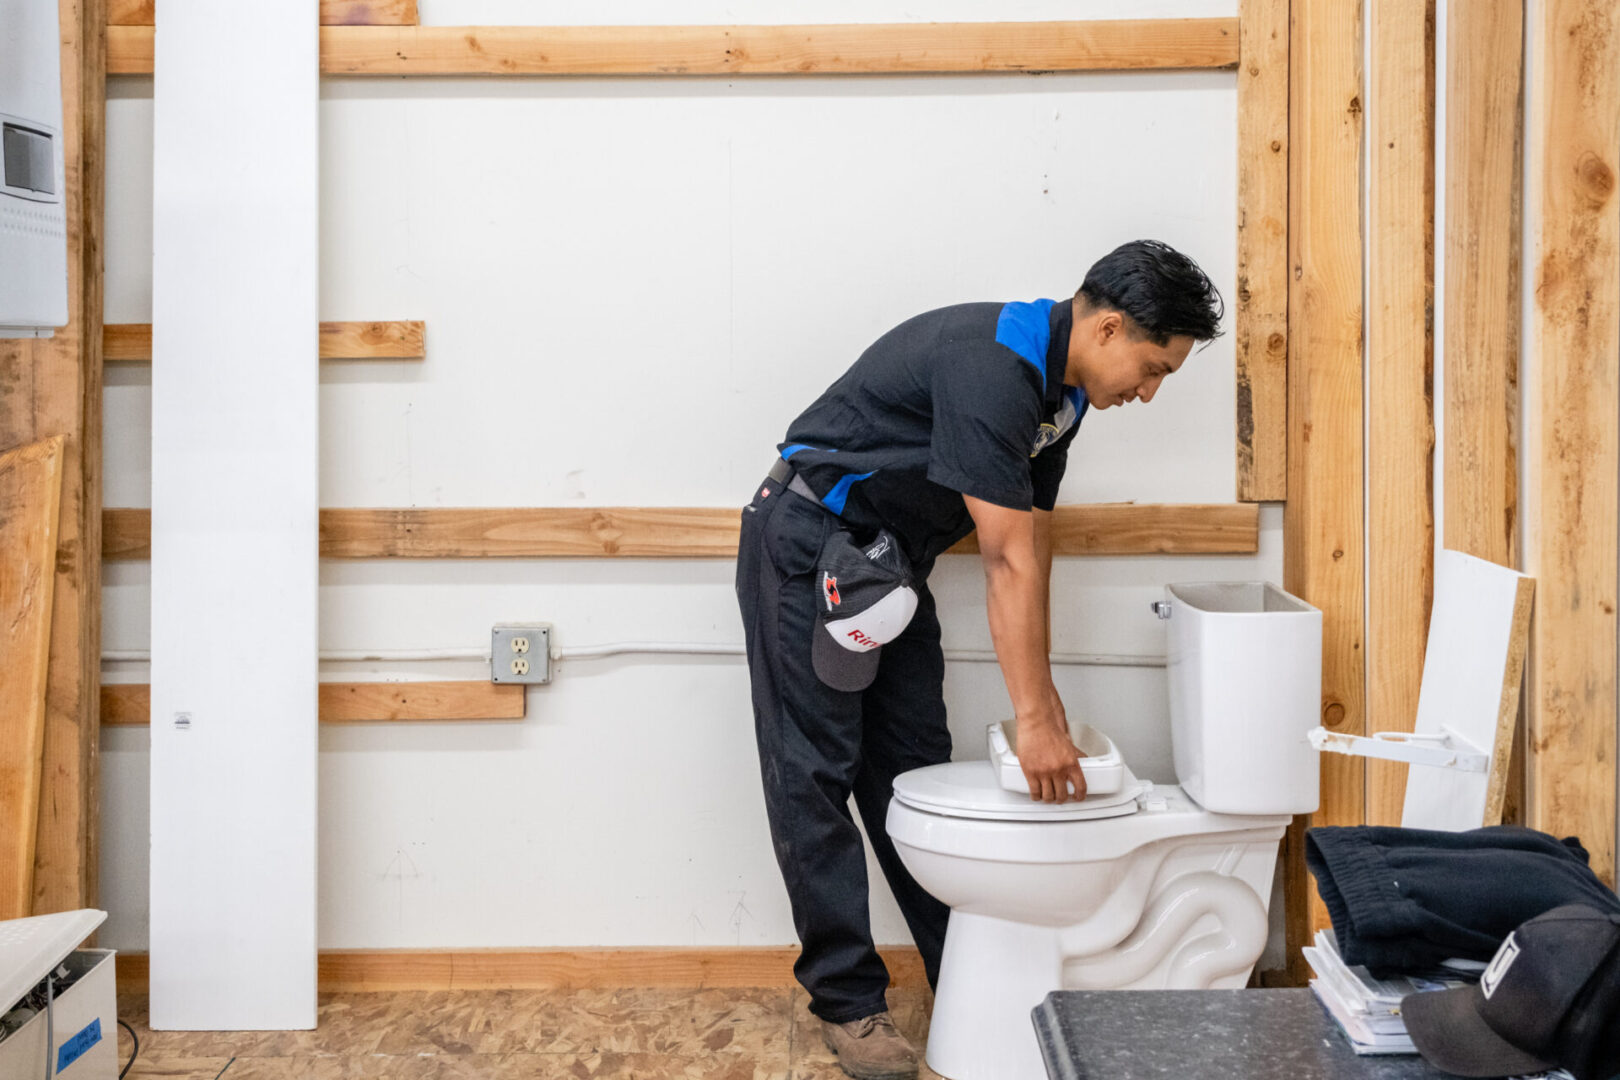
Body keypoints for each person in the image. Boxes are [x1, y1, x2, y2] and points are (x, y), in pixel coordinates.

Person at [734, 239, 1224, 1080]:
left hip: (886, 563)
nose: (1146, 391)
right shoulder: (991, 369)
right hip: (809, 545)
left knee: (912, 771)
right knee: (812, 773)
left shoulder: (1060, 398)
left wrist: (1052, 706)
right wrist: (1036, 718)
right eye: (1152, 369)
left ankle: (961, 974)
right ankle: (848, 1005)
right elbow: (1002, 562)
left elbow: (1027, 544)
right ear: (1107, 327)